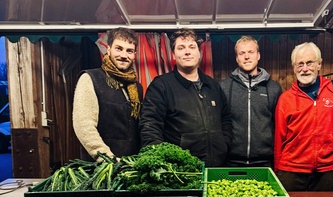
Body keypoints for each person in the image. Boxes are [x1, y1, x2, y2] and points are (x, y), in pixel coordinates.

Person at [139, 28, 232, 167]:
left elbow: (226, 120)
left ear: (199, 52)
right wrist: (163, 163)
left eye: (192, 47)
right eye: (181, 48)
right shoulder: (161, 86)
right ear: (173, 55)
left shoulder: (213, 86)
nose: (187, 52)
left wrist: (224, 144)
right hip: (181, 171)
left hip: (216, 165)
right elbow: (149, 126)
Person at [274, 42, 333, 191]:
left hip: (328, 171)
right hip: (291, 171)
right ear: (294, 68)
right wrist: (279, 170)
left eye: (309, 63)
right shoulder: (285, 99)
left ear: (319, 65)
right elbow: (279, 138)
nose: (304, 69)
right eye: (300, 64)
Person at [73, 27, 143, 161]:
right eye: (119, 48)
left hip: (129, 166)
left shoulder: (136, 88)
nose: (124, 55)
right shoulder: (90, 79)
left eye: (129, 51)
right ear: (109, 49)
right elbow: (84, 127)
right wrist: (107, 158)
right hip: (100, 169)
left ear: (134, 54)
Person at [220, 35, 282, 167]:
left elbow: (279, 126)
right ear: (237, 58)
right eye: (242, 53)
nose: (246, 57)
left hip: (265, 162)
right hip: (231, 162)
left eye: (251, 52)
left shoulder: (273, 88)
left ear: (258, 55)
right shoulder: (224, 87)